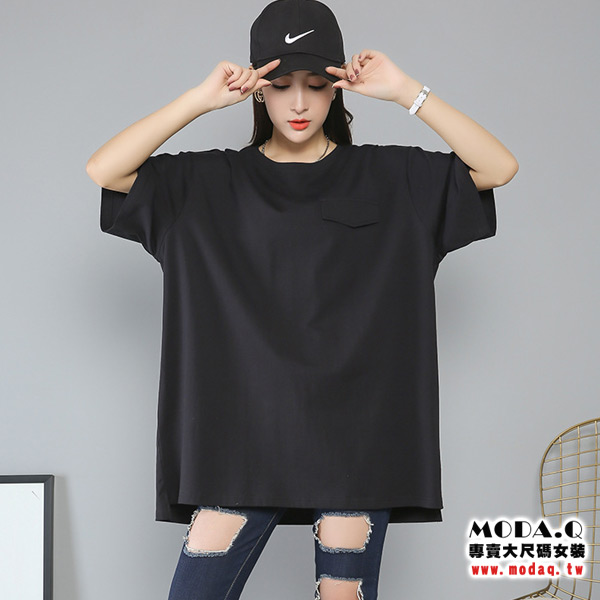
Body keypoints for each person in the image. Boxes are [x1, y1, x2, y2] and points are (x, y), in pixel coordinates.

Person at [86, 0, 518, 598]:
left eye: (316, 85)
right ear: (258, 88)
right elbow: (105, 170)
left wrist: (405, 92)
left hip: (357, 438)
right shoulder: (205, 184)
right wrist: (198, 101)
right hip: (240, 436)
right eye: (281, 85)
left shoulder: (392, 178)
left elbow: (499, 167)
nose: (298, 103)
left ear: (337, 88)